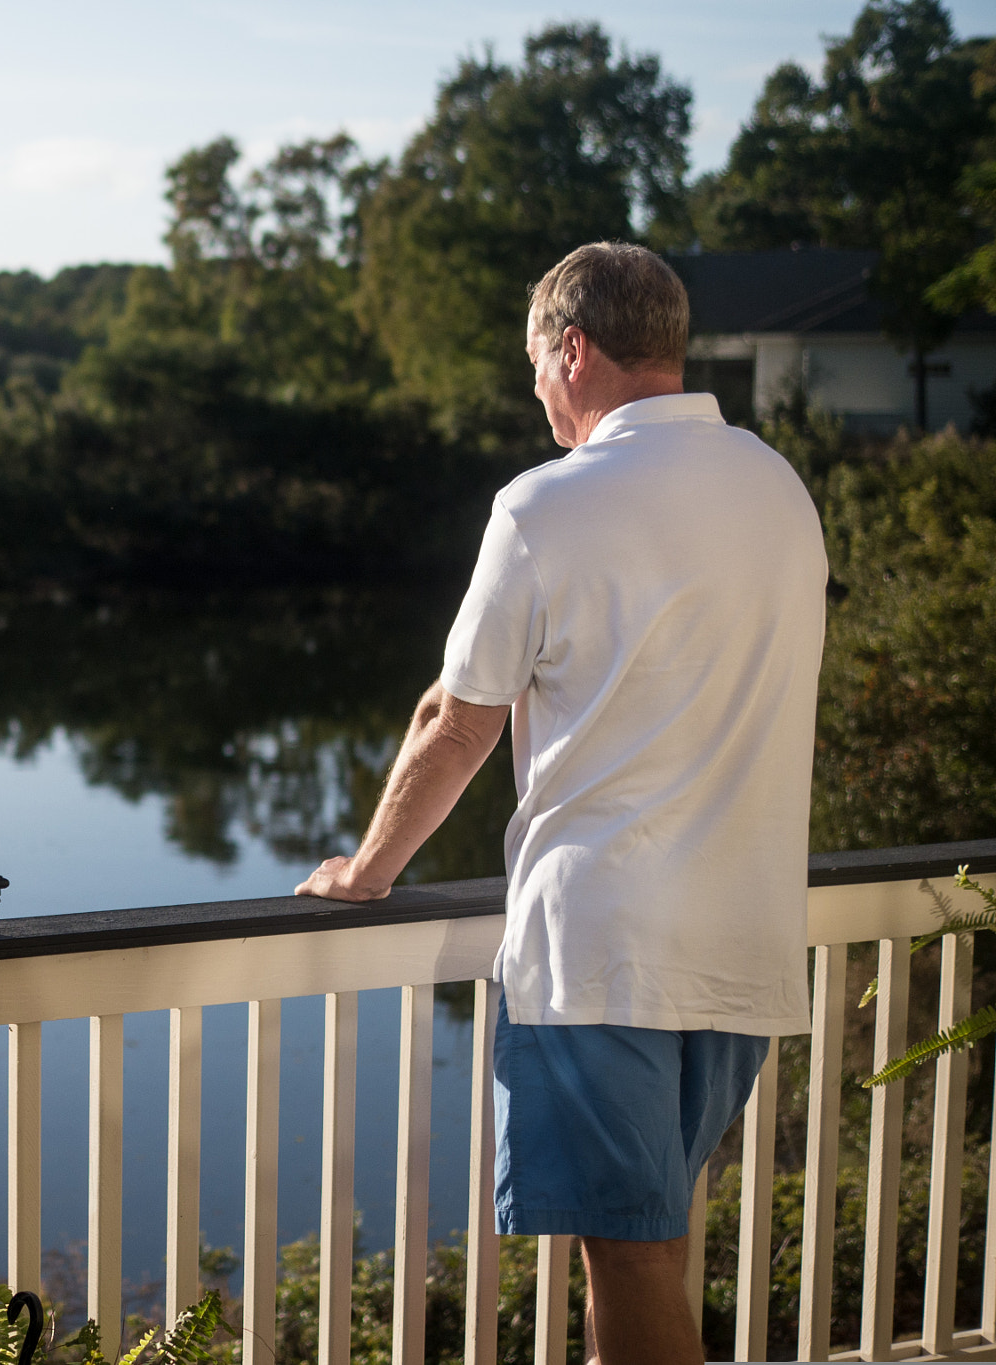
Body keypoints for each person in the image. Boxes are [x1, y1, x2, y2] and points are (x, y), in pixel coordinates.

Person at [294, 243, 825, 1365]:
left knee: (623, 1255)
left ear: (572, 349)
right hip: (742, 938)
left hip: (601, 948)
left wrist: (367, 868)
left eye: (535, 362)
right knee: (653, 1242)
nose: (535, 388)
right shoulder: (774, 485)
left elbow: (458, 715)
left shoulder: (545, 505)